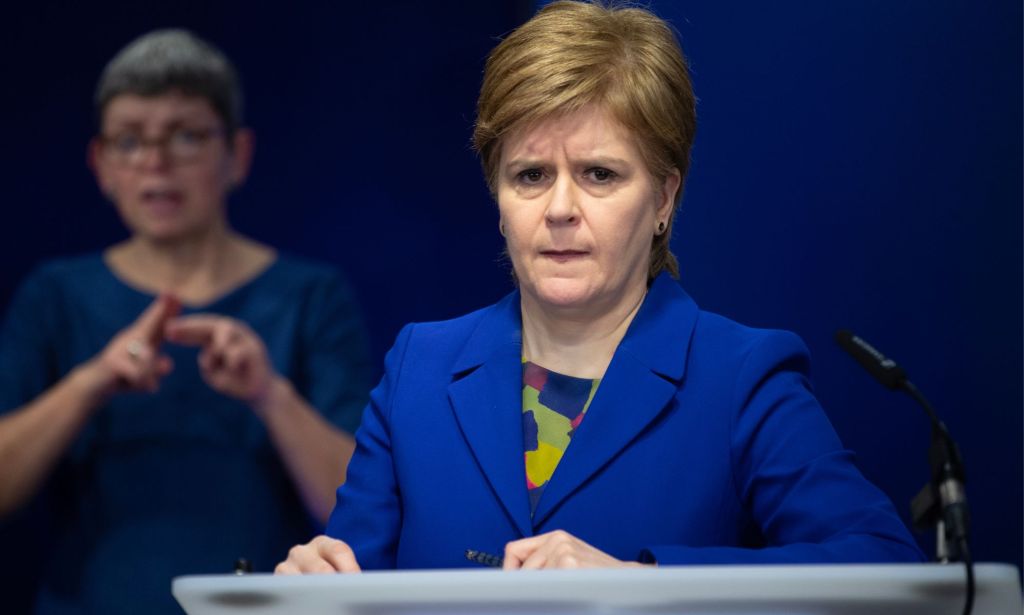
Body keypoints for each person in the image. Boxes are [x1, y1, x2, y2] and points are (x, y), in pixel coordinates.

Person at [276, 0, 923, 574]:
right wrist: (319, 579)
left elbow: (884, 561)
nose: (559, 208)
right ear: (497, 195)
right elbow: (354, 576)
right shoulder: (420, 365)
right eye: (530, 175)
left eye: (599, 174)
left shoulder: (740, 376)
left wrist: (639, 580)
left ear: (665, 197)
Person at [0, 29, 371, 612]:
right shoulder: (55, 295)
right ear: (100, 164)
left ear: (237, 156)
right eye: (130, 141)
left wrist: (269, 394)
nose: (155, 162)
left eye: (186, 136)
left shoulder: (310, 296)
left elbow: (360, 509)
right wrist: (89, 383)